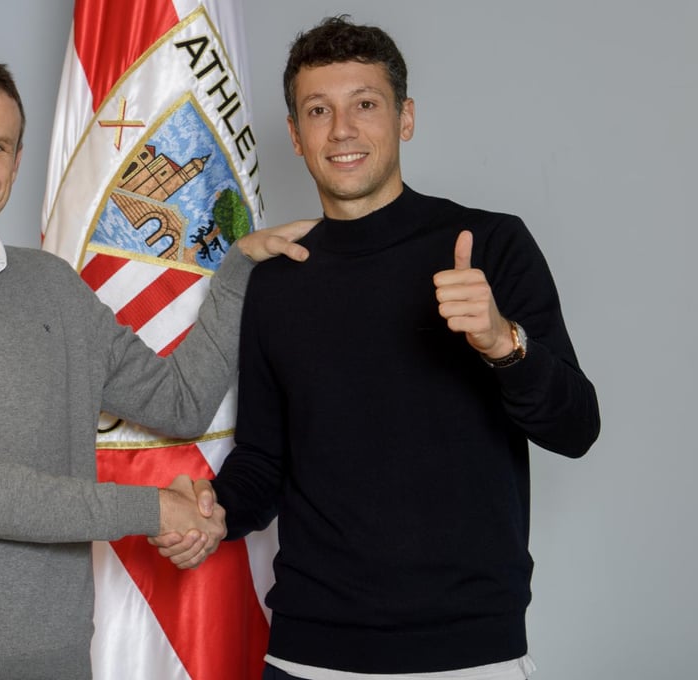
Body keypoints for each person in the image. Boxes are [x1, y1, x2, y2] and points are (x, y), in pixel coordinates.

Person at [0, 53, 310, 680]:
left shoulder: (53, 285)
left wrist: (236, 273)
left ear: (17, 161)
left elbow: (180, 404)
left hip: (58, 659)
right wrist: (157, 509)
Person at [152, 15, 600, 680]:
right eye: (318, 111)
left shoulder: (489, 245)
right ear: (296, 136)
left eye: (364, 104)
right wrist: (216, 513)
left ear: (404, 118)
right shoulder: (275, 282)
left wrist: (502, 342)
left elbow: (576, 428)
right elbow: (264, 461)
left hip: (467, 654)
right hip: (307, 653)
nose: (341, 130)